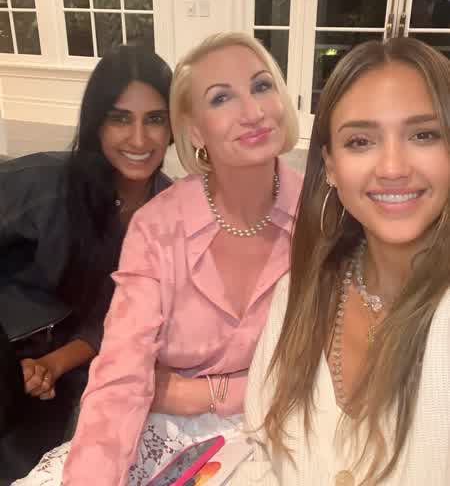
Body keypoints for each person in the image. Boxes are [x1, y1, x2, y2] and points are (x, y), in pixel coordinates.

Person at [16, 31, 302, 486]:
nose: (252, 111)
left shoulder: (323, 215)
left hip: (282, 427)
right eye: (222, 97)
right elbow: (122, 373)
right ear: (194, 131)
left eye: (262, 86)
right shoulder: (156, 224)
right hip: (154, 425)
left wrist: (205, 394)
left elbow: (329, 365)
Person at [234, 37, 450, 485]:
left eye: (423, 135)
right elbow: (260, 450)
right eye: (360, 141)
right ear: (330, 166)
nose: (392, 167)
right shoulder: (298, 292)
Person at [0, 44, 173, 484]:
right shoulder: (43, 184)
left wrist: (52, 365)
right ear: (97, 123)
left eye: (155, 119)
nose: (139, 139)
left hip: (73, 372)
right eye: (120, 118)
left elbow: (123, 323)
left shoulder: (173, 216)